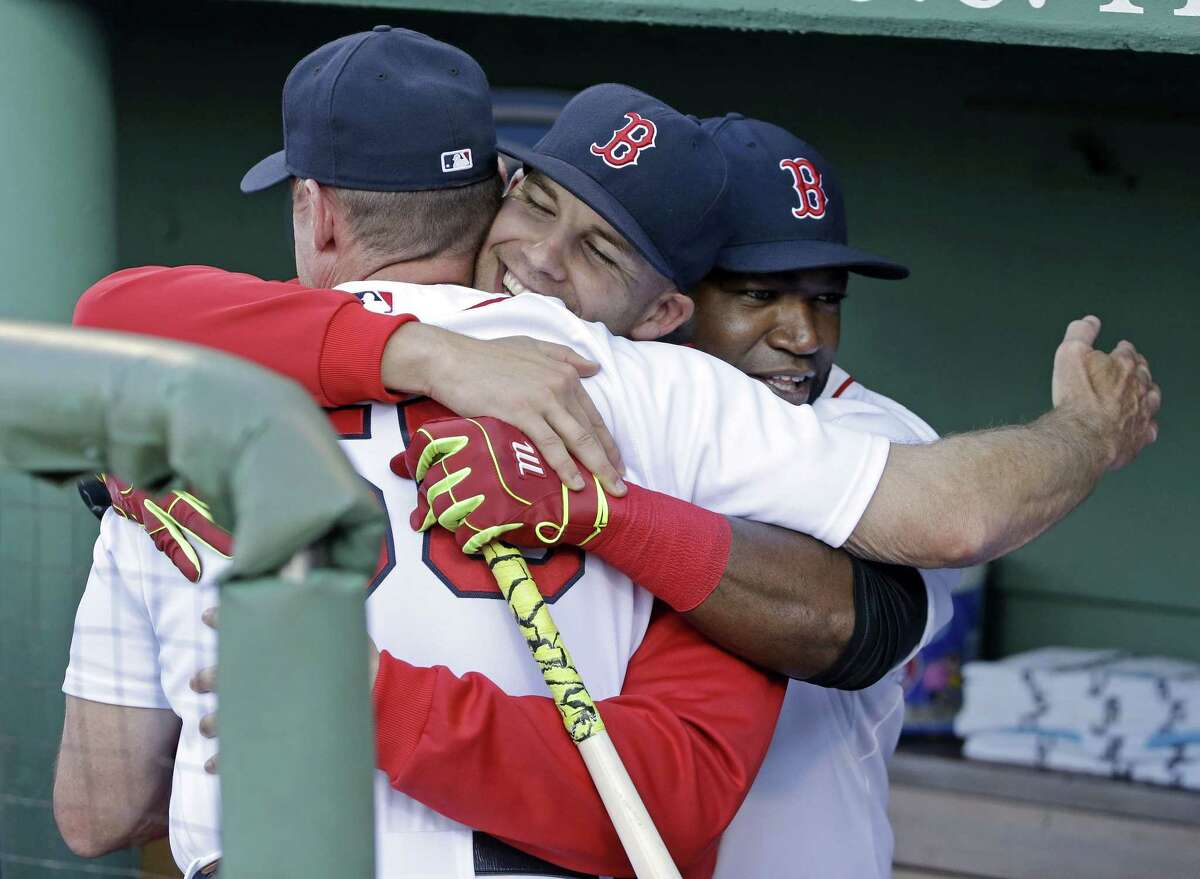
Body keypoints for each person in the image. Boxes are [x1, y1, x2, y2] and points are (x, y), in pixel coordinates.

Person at [64, 30, 1159, 879]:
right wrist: (424, 351)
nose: (537, 262)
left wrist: (600, 509)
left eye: (598, 248)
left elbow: (865, 602)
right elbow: (112, 313)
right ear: (492, 193)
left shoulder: (708, 425)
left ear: (667, 308)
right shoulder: (607, 388)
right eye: (534, 205)